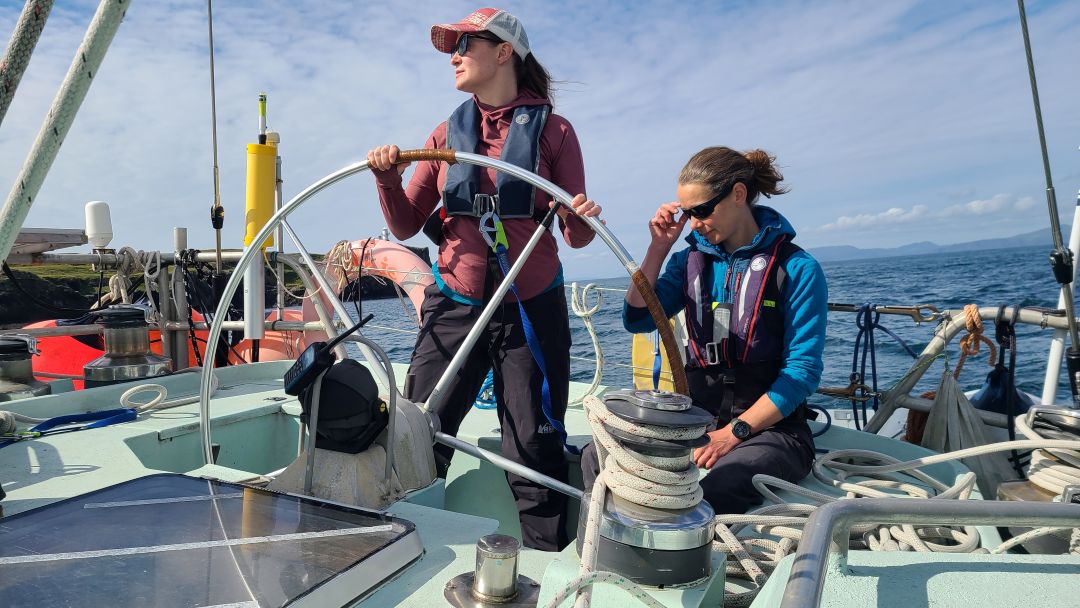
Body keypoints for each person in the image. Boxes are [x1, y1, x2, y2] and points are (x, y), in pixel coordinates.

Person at [366, 8, 601, 551]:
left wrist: (582, 217)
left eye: (465, 45)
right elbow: (405, 225)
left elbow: (577, 236)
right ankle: (403, 551)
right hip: (454, 306)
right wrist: (387, 180)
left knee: (533, 448)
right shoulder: (445, 134)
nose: (455, 56)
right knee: (418, 433)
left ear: (504, 52)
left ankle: (546, 563)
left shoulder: (556, 132)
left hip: (530, 310)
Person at [582, 146, 827, 515]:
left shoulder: (798, 269)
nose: (693, 224)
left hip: (772, 431)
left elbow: (802, 372)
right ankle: (606, 540)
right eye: (687, 213)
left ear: (738, 194)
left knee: (722, 485)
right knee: (597, 454)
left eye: (701, 210)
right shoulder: (688, 262)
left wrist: (733, 434)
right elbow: (638, 318)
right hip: (697, 420)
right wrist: (659, 247)